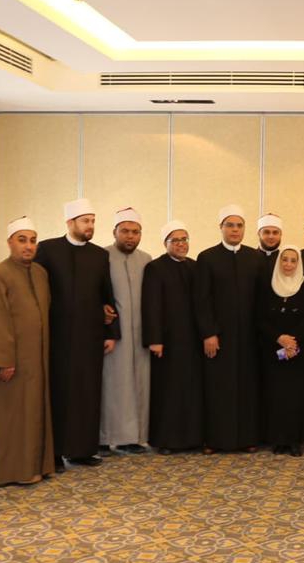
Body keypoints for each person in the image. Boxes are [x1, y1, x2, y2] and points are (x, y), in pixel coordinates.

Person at [35, 198, 120, 468]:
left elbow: (107, 294)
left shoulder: (99, 255)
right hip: (57, 335)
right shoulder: (47, 249)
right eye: (85, 221)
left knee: (88, 391)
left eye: (92, 221)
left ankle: (83, 450)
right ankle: (55, 453)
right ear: (70, 222)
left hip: (89, 334)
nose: (90, 226)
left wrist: (110, 332)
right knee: (59, 391)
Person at [0, 217, 55, 485]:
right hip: (10, 360)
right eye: (22, 240)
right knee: (9, 417)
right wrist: (4, 360)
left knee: (33, 413)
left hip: (37, 359)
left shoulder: (40, 273)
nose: (28, 246)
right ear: (10, 242)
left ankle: (35, 466)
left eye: (33, 241)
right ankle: (7, 472)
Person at [195, 204, 263, 453]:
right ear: (221, 228)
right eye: (230, 225)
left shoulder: (255, 258)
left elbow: (262, 299)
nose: (235, 230)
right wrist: (208, 333)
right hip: (219, 336)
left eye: (239, 226)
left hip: (249, 336)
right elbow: (201, 299)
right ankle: (216, 440)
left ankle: (247, 438)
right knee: (218, 388)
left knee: (247, 387)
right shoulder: (207, 258)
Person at [143, 221, 205, 454]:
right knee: (168, 391)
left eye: (184, 239)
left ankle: (191, 438)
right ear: (165, 243)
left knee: (191, 390)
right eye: (175, 240)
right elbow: (151, 305)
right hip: (167, 341)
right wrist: (154, 339)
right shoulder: (155, 268)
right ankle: (167, 440)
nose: (181, 244)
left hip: (192, 340)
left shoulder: (195, 266)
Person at [256, 245, 304, 456]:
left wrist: (293, 341)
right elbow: (260, 316)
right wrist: (279, 338)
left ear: (299, 263)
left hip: (301, 350)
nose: (288, 264)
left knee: (297, 396)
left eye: (293, 260)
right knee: (276, 395)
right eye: (285, 259)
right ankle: (278, 439)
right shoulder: (268, 284)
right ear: (278, 261)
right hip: (272, 349)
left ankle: (294, 440)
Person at [100, 207, 152, 455]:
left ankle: (132, 438)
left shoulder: (147, 259)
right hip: (114, 335)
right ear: (115, 232)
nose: (130, 236)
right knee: (113, 385)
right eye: (125, 231)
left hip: (140, 334)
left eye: (135, 232)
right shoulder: (102, 257)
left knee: (139, 384)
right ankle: (106, 437)